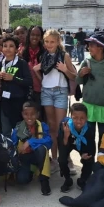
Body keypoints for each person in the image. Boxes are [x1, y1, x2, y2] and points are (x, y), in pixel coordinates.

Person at [33, 28, 77, 167]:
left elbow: (74, 76)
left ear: (58, 41)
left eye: (52, 41)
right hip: (46, 91)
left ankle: (66, 157)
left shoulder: (64, 56)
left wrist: (65, 70)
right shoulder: (43, 55)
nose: (49, 44)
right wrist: (39, 76)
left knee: (61, 126)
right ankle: (55, 158)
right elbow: (42, 74)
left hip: (60, 91)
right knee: (51, 126)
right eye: (46, 41)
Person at [75, 35, 104, 149]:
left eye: (91, 46)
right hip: (88, 105)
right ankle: (89, 162)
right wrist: (80, 74)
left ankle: (102, 161)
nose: (88, 48)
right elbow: (78, 81)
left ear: (100, 48)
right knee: (88, 136)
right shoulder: (86, 62)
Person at [11, 101, 52, 196]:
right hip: (24, 157)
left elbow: (49, 142)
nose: (29, 117)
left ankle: (43, 179)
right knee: (21, 180)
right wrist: (19, 150)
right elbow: (12, 145)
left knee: (42, 148)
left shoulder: (42, 126)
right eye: (26, 114)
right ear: (22, 114)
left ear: (37, 114)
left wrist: (30, 142)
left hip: (37, 156)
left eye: (32, 114)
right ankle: (32, 170)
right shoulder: (17, 128)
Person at [0, 35, 33, 136]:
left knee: (19, 132)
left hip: (18, 103)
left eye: (11, 46)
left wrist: (13, 78)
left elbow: (28, 81)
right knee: (5, 131)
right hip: (4, 103)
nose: (7, 48)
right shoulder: (1, 63)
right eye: (5, 46)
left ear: (16, 49)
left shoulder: (21, 63)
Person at [58, 103, 95, 192]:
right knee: (62, 159)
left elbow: (91, 146)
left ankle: (82, 180)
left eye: (82, 118)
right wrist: (66, 136)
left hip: (83, 144)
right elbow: (62, 146)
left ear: (87, 117)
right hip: (68, 143)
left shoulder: (89, 128)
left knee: (89, 159)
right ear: (71, 117)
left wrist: (84, 156)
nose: (78, 121)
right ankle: (68, 180)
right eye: (75, 118)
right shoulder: (65, 125)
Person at [22, 26, 46, 118]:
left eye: (37, 35)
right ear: (29, 35)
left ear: (41, 37)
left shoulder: (45, 53)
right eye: (32, 34)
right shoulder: (22, 52)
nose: (35, 37)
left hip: (41, 90)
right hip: (26, 90)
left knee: (40, 118)